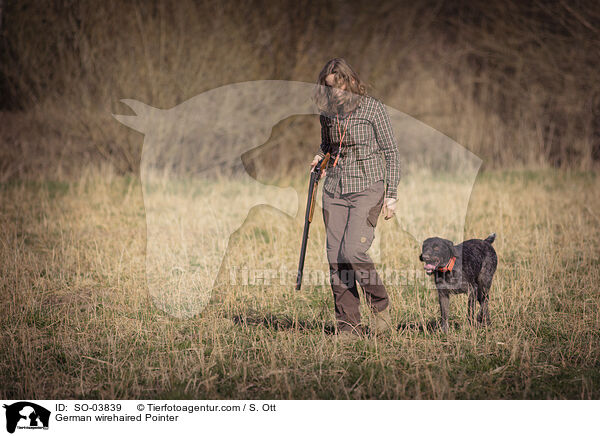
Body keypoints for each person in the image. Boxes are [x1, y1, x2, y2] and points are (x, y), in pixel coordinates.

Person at [310, 58, 401, 337]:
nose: (335, 93)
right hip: (335, 189)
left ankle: (380, 307)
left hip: (368, 187)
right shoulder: (327, 113)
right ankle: (348, 326)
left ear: (349, 81)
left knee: (352, 251)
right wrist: (320, 157)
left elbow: (391, 152)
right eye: (329, 88)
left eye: (338, 86)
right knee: (336, 258)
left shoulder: (373, 108)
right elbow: (328, 144)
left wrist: (392, 195)